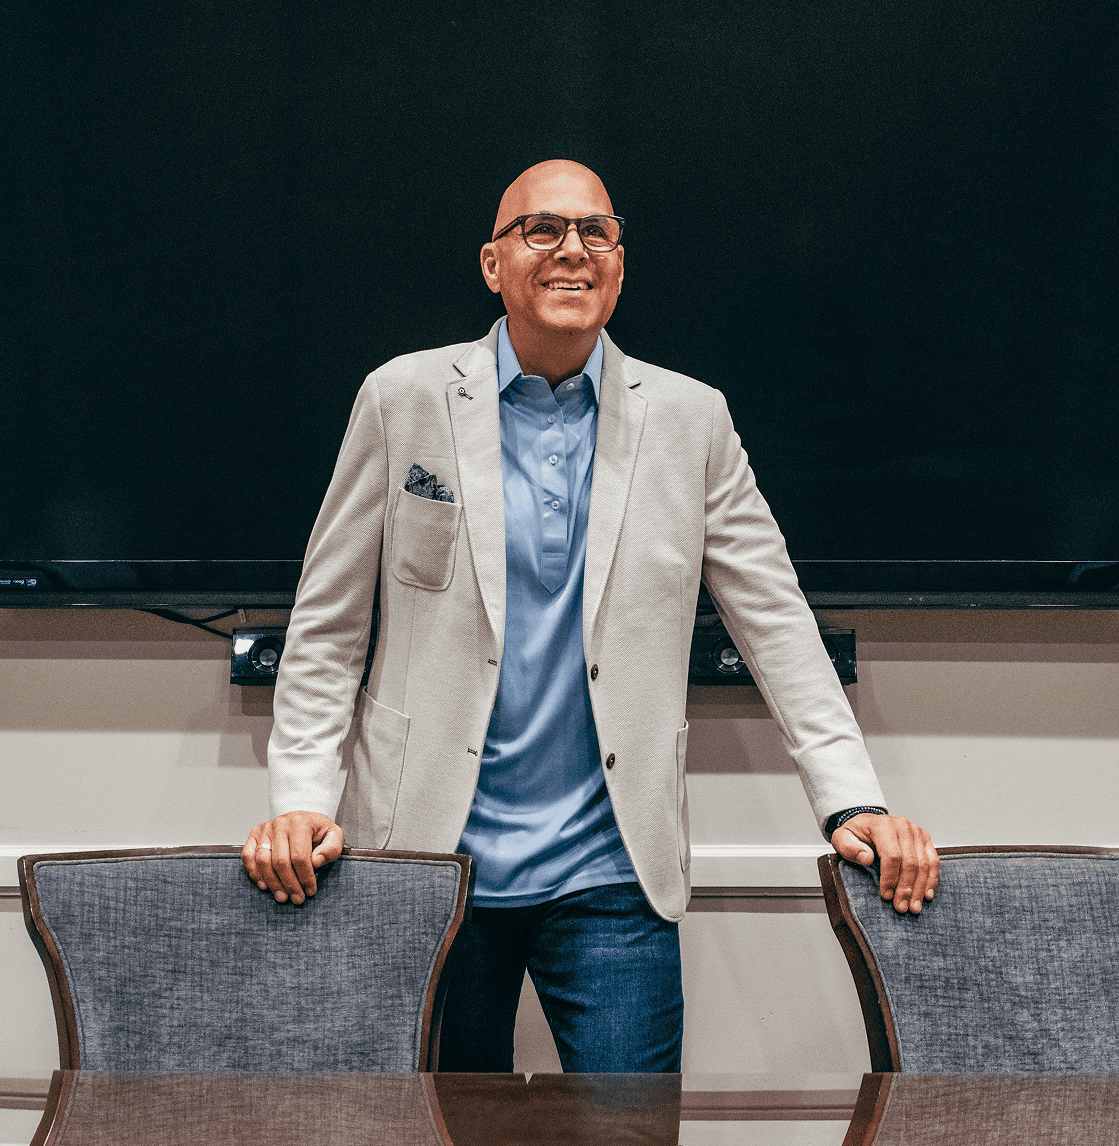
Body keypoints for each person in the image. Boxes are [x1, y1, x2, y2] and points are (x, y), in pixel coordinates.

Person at [242, 159, 939, 1073]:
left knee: (627, 1136)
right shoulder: (401, 398)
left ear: (618, 261)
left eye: (596, 232)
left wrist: (851, 798)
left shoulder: (691, 418)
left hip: (613, 872)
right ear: (493, 263)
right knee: (433, 1137)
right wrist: (299, 801)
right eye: (541, 229)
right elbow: (327, 630)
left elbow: (774, 619)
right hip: (424, 858)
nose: (571, 249)